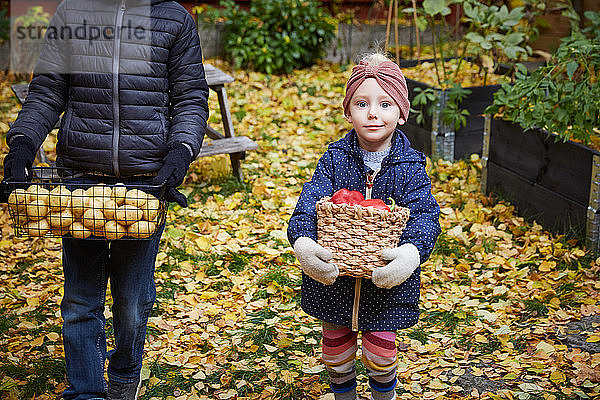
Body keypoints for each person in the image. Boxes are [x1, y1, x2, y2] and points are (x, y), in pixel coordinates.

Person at [1, 0, 209, 399]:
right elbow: (47, 91)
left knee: (131, 302)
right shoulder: (73, 12)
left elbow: (189, 98)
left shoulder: (174, 18)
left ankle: (126, 372)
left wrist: (181, 150)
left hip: (143, 185)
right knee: (81, 299)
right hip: (80, 176)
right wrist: (24, 143)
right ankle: (87, 391)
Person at [287, 53, 441, 400]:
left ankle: (382, 395)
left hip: (385, 283)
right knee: (335, 352)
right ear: (348, 111)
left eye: (385, 104)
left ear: (402, 114)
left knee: (381, 354)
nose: (373, 113)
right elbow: (307, 206)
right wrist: (304, 244)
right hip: (335, 279)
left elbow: (426, 216)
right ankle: (344, 395)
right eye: (361, 103)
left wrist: (410, 254)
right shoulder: (334, 160)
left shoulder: (410, 166)